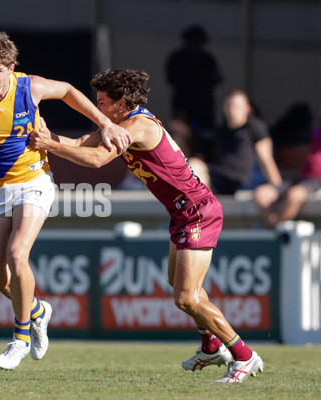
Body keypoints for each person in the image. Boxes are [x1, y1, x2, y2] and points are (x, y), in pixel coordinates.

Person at [30, 69, 264, 383]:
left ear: (120, 102)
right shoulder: (118, 123)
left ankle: (244, 356)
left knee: (186, 298)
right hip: (183, 213)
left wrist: (52, 145)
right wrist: (44, 138)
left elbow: (97, 159)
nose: (96, 108)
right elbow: (79, 143)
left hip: (197, 211)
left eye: (101, 102)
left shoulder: (137, 125)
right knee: (180, 285)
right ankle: (211, 346)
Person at [0, 31, 132, 370]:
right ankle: (37, 311)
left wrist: (105, 123)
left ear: (12, 68)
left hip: (34, 180)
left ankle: (19, 338)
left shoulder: (28, 87)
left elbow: (67, 91)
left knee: (18, 254)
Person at [189, 89, 282, 195]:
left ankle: (199, 206)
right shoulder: (221, 130)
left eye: (237, 107)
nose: (232, 110)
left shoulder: (255, 127)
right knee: (191, 165)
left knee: (196, 168)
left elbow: (266, 159)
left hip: (238, 180)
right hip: (219, 176)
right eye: (229, 106)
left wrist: (277, 187)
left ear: (247, 108)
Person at [165, 24, 222, 156]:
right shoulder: (205, 57)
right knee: (192, 135)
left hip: (187, 103)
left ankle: (189, 160)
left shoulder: (177, 56)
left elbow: (170, 80)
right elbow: (218, 78)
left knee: (185, 135)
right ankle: (199, 159)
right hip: (199, 104)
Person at [254, 123, 321, 228]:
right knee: (262, 194)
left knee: (294, 195)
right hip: (301, 177)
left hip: (316, 181)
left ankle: (275, 232)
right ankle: (272, 229)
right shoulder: (317, 130)